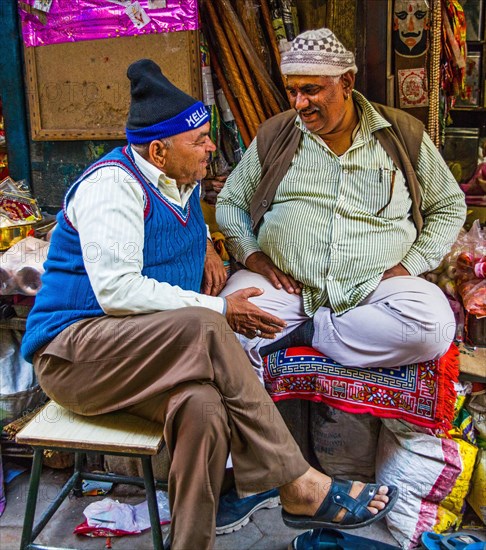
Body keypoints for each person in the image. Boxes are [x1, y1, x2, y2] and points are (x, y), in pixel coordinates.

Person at [20, 59, 397, 550]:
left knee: (203, 408)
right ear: (158, 150)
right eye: (198, 141)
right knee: (209, 324)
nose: (211, 147)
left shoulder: (182, 183)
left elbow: (174, 231)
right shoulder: (112, 187)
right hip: (76, 357)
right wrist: (218, 308)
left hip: (136, 360)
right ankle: (297, 481)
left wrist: (207, 246)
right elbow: (117, 292)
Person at [216, 28, 466, 374]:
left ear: (347, 83)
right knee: (219, 326)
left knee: (432, 328)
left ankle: (308, 332)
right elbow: (230, 202)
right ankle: (324, 333)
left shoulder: (402, 133)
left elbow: (449, 205)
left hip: (374, 287)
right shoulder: (276, 134)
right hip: (285, 285)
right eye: (293, 91)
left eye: (311, 90)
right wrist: (252, 254)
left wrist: (411, 265)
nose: (299, 103)